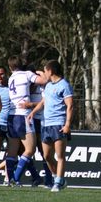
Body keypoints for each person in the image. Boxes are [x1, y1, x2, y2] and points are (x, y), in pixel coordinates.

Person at [28, 60, 73, 192]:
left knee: (60, 156)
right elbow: (43, 101)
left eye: (45, 71)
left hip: (59, 124)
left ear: (51, 71)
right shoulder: (48, 86)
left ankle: (58, 183)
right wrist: (33, 112)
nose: (44, 74)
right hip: (45, 124)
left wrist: (67, 125)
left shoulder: (64, 85)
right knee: (47, 156)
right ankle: (58, 178)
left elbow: (70, 106)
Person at [6, 55, 47, 187]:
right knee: (30, 150)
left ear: (10, 67)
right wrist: (40, 73)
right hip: (23, 115)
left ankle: (10, 179)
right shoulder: (27, 74)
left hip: (11, 116)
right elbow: (44, 80)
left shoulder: (11, 78)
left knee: (12, 152)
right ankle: (15, 179)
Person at [21, 65, 53, 188]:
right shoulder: (25, 87)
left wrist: (31, 105)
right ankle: (35, 177)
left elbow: (46, 102)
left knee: (44, 152)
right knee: (24, 151)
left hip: (42, 121)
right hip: (29, 120)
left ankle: (49, 181)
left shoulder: (43, 86)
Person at [0, 66, 10, 185]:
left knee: (11, 152)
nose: (0, 76)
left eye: (2, 74)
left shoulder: (12, 86)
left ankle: (7, 178)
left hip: (11, 124)